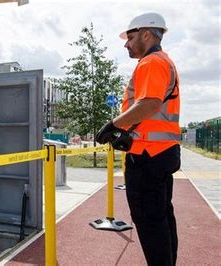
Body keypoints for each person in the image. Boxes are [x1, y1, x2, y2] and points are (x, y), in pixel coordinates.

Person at [96, 12, 181, 266]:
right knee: (162, 219)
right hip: (161, 154)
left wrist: (113, 124)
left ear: (146, 34)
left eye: (130, 38)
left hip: (147, 157)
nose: (126, 44)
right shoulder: (164, 61)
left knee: (150, 222)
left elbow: (150, 104)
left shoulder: (151, 62)